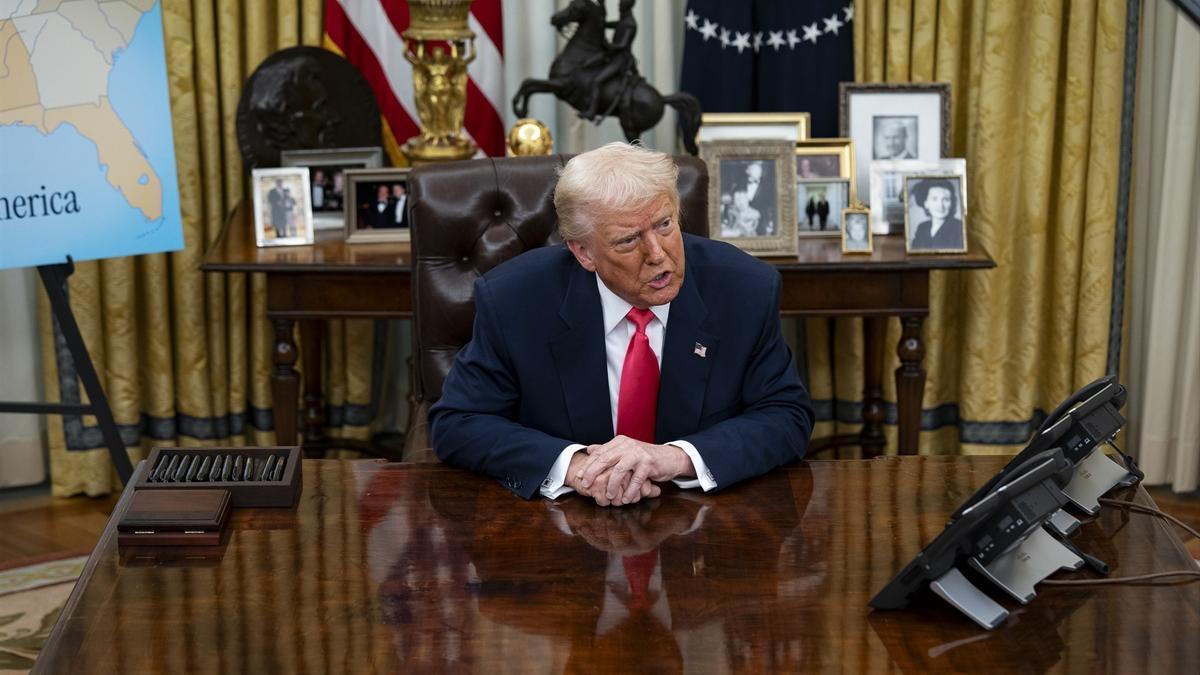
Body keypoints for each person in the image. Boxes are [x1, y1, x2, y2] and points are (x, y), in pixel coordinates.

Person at [430, 142, 813, 507]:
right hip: (561, 535)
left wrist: (675, 458)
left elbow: (785, 414)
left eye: (664, 224)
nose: (658, 255)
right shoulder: (515, 299)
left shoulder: (744, 289)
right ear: (584, 252)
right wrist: (575, 467)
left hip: (700, 532)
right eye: (629, 240)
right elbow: (458, 422)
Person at [582, 0, 638, 121]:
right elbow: (603, 24)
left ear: (627, 6)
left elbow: (622, 45)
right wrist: (602, 5)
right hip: (612, 56)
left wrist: (608, 45)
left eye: (621, 4)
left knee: (597, 81)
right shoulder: (622, 21)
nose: (619, 5)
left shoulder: (630, 24)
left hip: (620, 60)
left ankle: (591, 111)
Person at [909, 178, 965, 251]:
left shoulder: (959, 227)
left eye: (946, 199)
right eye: (934, 199)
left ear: (952, 203)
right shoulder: (922, 228)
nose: (940, 205)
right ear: (926, 203)